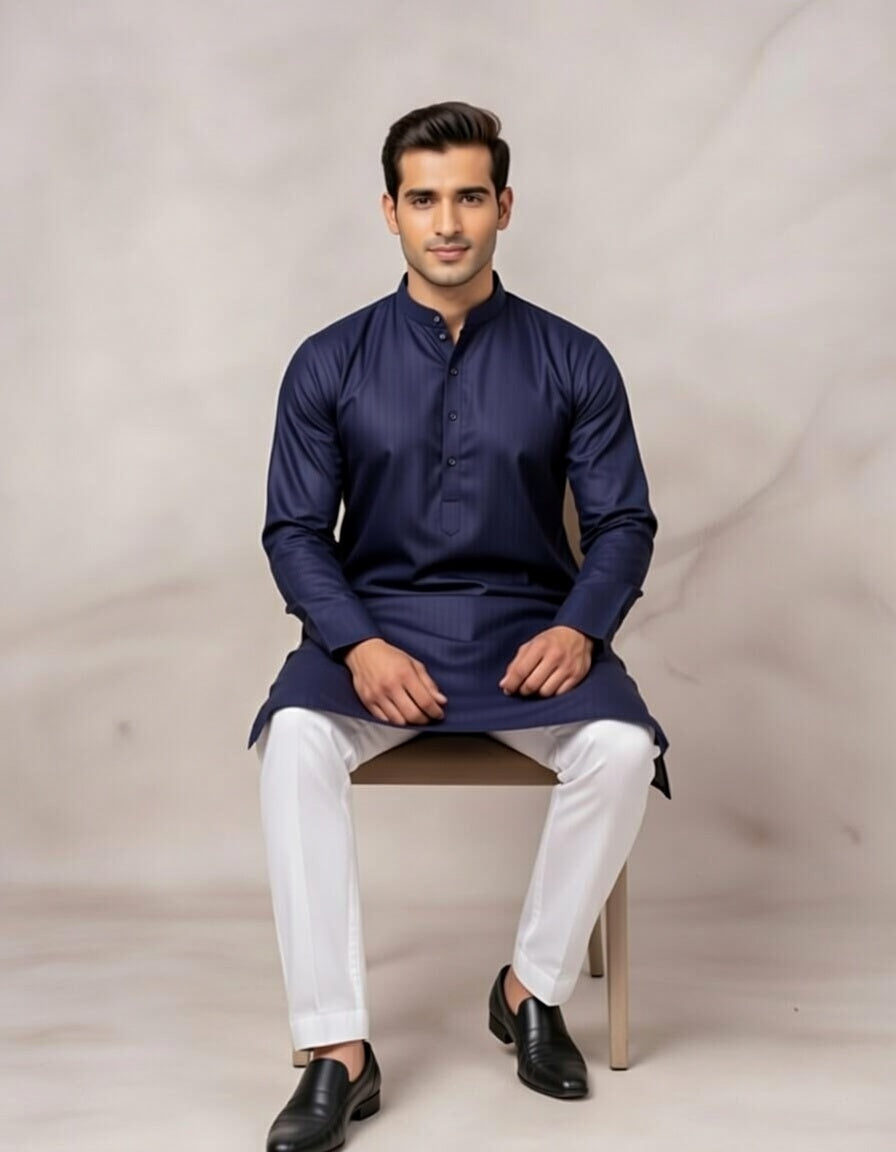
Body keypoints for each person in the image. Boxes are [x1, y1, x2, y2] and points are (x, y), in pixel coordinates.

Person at [249, 101, 670, 1152]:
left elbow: (621, 521)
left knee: (620, 749)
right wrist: (356, 643)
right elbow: (295, 531)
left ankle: (530, 986)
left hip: (532, 634)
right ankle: (335, 1050)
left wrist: (579, 628)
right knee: (294, 740)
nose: (448, 222)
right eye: (424, 199)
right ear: (388, 212)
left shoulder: (573, 358)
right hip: (373, 635)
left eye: (469, 197)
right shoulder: (327, 361)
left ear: (503, 207)